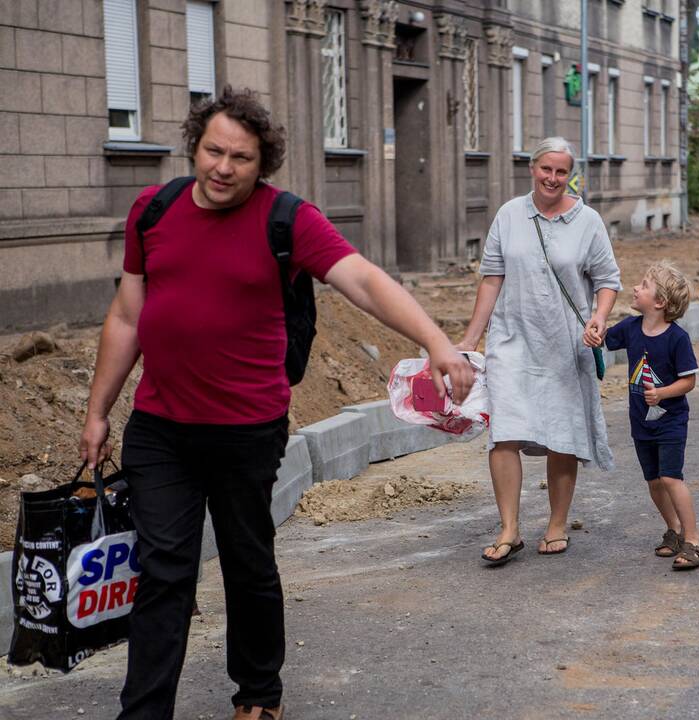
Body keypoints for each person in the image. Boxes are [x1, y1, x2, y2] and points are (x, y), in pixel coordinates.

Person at [79, 87, 473, 720]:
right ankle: (144, 712)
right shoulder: (153, 210)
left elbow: (364, 280)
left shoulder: (286, 218)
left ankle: (259, 694)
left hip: (246, 430)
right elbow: (127, 315)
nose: (223, 168)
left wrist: (435, 341)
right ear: (193, 145)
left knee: (247, 562)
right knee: (164, 574)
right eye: (213, 151)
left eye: (240, 157)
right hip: (160, 429)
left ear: (262, 163)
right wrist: (99, 411)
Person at [457, 137, 621, 565]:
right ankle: (509, 528)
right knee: (504, 433)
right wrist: (470, 340)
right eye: (546, 169)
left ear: (571, 175)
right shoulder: (510, 215)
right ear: (533, 169)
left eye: (561, 171)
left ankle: (556, 523)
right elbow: (492, 278)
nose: (553, 178)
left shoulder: (588, 221)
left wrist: (599, 318)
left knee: (561, 433)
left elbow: (607, 280)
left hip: (566, 342)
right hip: (511, 338)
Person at [593, 262, 699, 570]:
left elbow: (689, 380)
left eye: (643, 285)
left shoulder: (677, 338)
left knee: (671, 477)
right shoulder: (631, 327)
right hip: (641, 422)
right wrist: (594, 332)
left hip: (670, 421)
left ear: (660, 302)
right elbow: (605, 339)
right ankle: (675, 529)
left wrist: (663, 393)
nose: (635, 288)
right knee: (654, 481)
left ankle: (693, 540)